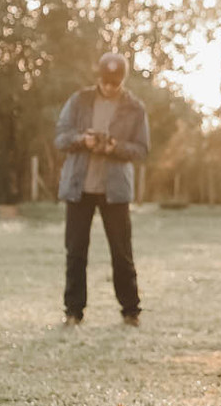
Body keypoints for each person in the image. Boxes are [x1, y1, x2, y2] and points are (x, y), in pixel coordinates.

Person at [54, 51, 150, 327]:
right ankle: (73, 312)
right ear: (99, 77)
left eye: (115, 81)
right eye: (106, 81)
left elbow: (142, 149)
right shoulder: (79, 100)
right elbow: (60, 137)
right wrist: (82, 139)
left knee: (121, 252)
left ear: (123, 79)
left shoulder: (135, 107)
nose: (109, 86)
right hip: (79, 187)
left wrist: (114, 147)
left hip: (115, 190)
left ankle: (131, 311)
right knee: (75, 252)